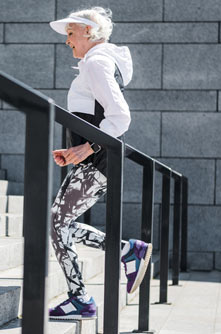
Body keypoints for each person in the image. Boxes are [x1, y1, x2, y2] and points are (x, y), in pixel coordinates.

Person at [48, 7, 152, 319]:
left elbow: (120, 116)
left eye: (70, 33)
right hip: (95, 159)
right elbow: (95, 116)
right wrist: (75, 151)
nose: (67, 41)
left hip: (98, 160)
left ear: (88, 31)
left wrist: (87, 149)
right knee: (57, 223)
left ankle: (83, 295)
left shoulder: (96, 62)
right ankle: (125, 253)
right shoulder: (96, 63)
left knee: (56, 223)